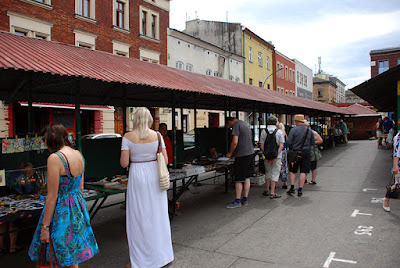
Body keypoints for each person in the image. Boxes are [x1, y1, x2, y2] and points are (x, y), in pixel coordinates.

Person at [28, 123, 99, 268]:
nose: (44, 143)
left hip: (61, 211)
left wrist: (45, 227)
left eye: (45, 139)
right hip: (77, 207)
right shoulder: (78, 154)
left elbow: (52, 196)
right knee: (72, 256)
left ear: (52, 138)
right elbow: (80, 187)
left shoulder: (55, 158)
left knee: (58, 253)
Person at [120, 107, 174, 268]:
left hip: (137, 175)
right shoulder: (157, 135)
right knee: (158, 215)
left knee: (138, 218)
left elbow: (124, 163)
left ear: (134, 119)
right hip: (154, 175)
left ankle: (139, 260)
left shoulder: (127, 137)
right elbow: (165, 160)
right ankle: (163, 257)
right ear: (149, 119)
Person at [0, 163, 35, 255]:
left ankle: (1, 247)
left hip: (3, 198)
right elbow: (28, 191)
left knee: (3, 222)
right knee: (13, 222)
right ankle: (12, 247)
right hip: (12, 199)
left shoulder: (13, 172)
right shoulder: (23, 177)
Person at [225, 117, 255, 208]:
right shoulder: (245, 124)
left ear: (230, 122)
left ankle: (237, 201)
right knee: (247, 177)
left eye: (228, 125)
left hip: (242, 155)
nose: (229, 127)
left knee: (238, 179)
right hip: (250, 153)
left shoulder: (236, 125)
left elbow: (235, 142)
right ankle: (245, 199)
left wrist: (230, 153)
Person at [286, 114, 315, 197]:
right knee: (303, 171)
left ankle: (292, 187)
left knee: (292, 170)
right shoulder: (309, 130)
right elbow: (313, 142)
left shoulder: (293, 130)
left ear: (296, 121)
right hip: (306, 152)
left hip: (295, 152)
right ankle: (300, 189)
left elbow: (289, 142)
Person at [260, 116, 285, 199]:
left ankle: (267, 189)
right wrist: (275, 155)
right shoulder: (280, 132)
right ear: (276, 123)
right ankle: (273, 192)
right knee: (275, 173)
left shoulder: (264, 131)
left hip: (266, 157)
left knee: (268, 172)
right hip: (277, 157)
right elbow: (281, 145)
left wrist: (266, 154)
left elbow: (262, 144)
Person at [383, 130, 400, 212]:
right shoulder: (398, 137)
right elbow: (397, 153)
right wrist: (395, 166)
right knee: (397, 186)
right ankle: (387, 198)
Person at [277, 123, 289, 189]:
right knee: (284, 166)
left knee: (277, 167)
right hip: (284, 151)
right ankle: (285, 182)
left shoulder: (277, 133)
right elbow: (287, 142)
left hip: (279, 151)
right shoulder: (284, 133)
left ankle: (275, 182)